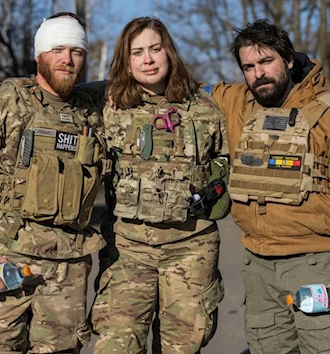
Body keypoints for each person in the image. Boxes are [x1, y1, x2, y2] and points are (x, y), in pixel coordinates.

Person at [209, 20, 330, 353]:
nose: (258, 73)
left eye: (266, 62)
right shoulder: (237, 104)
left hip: (319, 264)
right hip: (258, 267)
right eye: (248, 67)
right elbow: (182, 88)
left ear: (289, 60)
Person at [0, 12, 107, 354]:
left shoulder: (94, 111)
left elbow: (137, 81)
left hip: (68, 272)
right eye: (57, 49)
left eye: (76, 51)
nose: (67, 59)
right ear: (39, 55)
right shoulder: (5, 102)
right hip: (6, 264)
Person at [87, 17, 230, 354]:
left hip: (191, 247)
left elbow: (225, 164)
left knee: (182, 347)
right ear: (126, 60)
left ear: (170, 53)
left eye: (155, 49)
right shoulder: (107, 107)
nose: (147, 59)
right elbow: (54, 96)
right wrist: (8, 89)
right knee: (116, 346)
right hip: (128, 248)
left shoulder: (206, 108)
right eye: (137, 52)